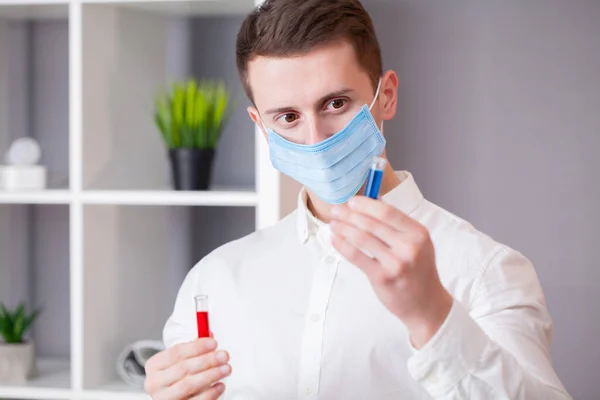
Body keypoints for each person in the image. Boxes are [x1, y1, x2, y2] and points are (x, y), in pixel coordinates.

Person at [144, 0, 571, 399]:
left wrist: (432, 316)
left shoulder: (485, 272)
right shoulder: (214, 281)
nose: (315, 139)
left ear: (385, 96)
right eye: (288, 117)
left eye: (336, 103)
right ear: (260, 125)